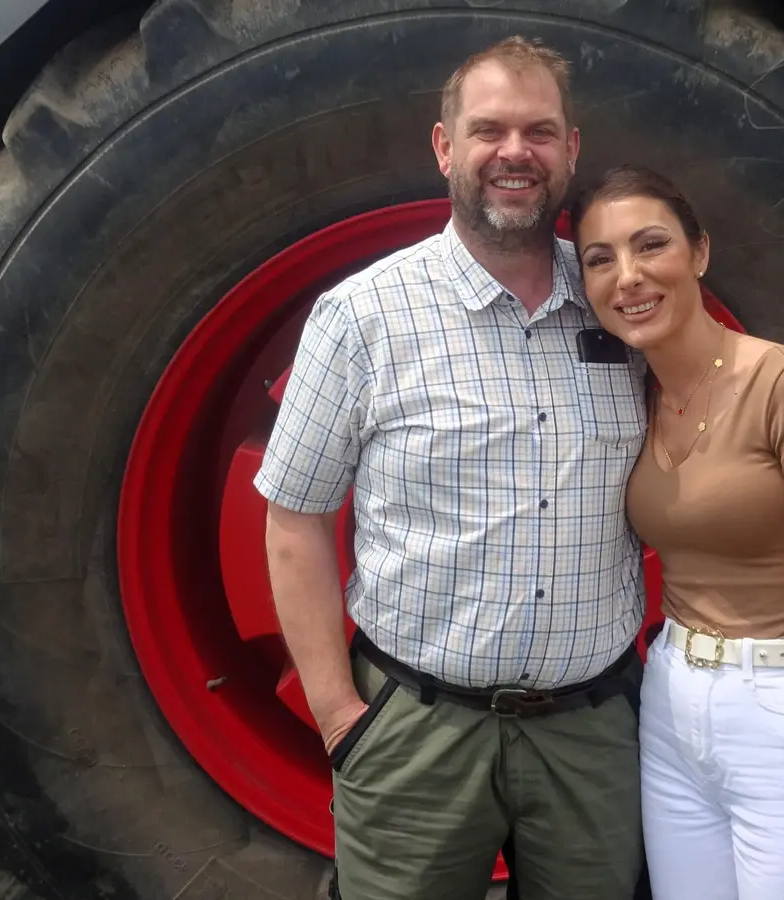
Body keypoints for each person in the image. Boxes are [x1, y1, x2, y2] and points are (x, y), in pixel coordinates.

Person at [253, 37, 648, 900]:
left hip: (593, 736)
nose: (516, 152)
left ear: (571, 150)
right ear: (445, 148)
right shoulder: (362, 317)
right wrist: (338, 719)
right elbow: (293, 519)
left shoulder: (627, 311)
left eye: (540, 131)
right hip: (415, 733)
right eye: (489, 130)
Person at [569, 164, 784, 900]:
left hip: (783, 711)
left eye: (651, 245)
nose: (628, 277)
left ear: (700, 252)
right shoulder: (637, 398)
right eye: (599, 259)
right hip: (673, 701)